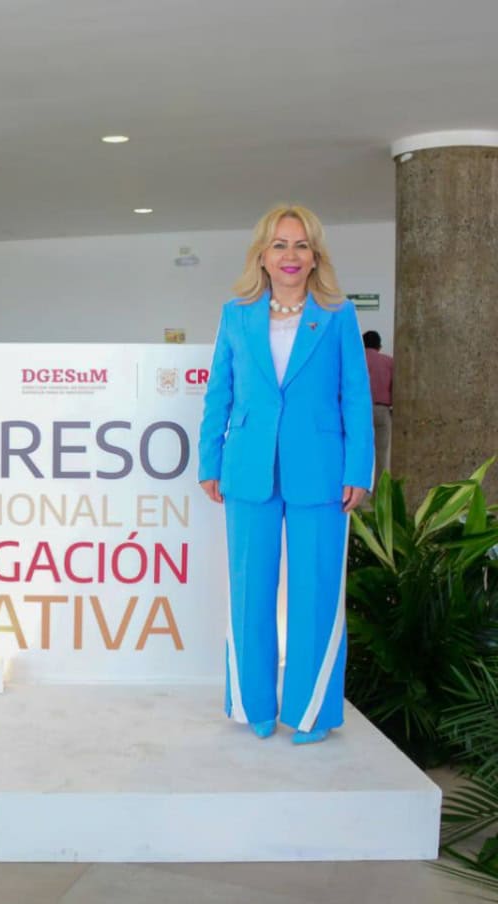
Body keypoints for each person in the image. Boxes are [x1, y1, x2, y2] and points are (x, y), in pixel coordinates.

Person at [198, 203, 374, 745]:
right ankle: (252, 703)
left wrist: (359, 469)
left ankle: (311, 710)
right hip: (247, 468)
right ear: (262, 256)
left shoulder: (338, 315)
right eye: (279, 245)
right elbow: (219, 393)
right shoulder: (236, 314)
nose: (290, 255)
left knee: (316, 592)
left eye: (301, 245)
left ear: (315, 256)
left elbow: (356, 397)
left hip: (321, 472)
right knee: (249, 590)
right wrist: (209, 461)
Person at [362, 330, 393, 481]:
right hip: (381, 410)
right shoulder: (389, 362)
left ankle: (357, 491)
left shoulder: (355, 360)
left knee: (358, 452)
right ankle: (380, 490)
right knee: (382, 454)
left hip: (358, 411)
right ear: (379, 346)